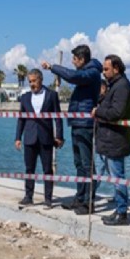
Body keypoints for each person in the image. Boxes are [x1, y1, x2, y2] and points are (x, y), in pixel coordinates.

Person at [42, 45, 102, 215]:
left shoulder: (91, 73)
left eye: (74, 59)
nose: (72, 62)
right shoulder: (87, 73)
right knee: (78, 164)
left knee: (86, 164)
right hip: (77, 122)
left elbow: (73, 76)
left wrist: (53, 68)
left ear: (82, 59)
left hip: (85, 124)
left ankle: (88, 201)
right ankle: (80, 197)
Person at [92, 55, 130, 226]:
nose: (103, 72)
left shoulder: (122, 86)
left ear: (116, 68)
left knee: (118, 178)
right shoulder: (114, 85)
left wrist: (98, 112)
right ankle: (119, 209)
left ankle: (122, 212)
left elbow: (117, 112)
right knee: (115, 178)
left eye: (106, 69)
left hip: (115, 140)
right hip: (109, 139)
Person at [14, 69, 64, 207]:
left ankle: (48, 199)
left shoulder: (51, 95)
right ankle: (28, 197)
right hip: (29, 138)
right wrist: (18, 137)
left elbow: (58, 118)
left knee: (47, 169)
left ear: (40, 80)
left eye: (34, 81)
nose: (32, 84)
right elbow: (21, 119)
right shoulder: (25, 97)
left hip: (46, 138)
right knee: (29, 169)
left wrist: (59, 136)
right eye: (30, 81)